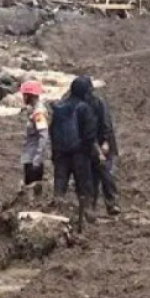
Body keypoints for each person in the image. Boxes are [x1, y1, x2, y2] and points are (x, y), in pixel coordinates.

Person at [49, 76, 100, 233]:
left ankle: (57, 215)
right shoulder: (84, 108)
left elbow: (52, 131)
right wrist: (89, 152)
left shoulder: (59, 107)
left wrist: (55, 152)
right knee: (84, 185)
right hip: (80, 153)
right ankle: (86, 217)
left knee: (60, 185)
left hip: (60, 154)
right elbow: (89, 134)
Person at [76, 74, 121, 216]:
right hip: (90, 144)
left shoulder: (98, 103)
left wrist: (106, 142)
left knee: (105, 173)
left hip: (103, 142)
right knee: (92, 177)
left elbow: (106, 123)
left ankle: (112, 203)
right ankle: (92, 208)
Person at [19, 80, 49, 205]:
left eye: (24, 95)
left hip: (33, 158)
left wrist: (38, 157)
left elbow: (43, 135)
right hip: (31, 156)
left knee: (32, 190)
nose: (23, 97)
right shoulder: (35, 111)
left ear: (29, 95)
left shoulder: (38, 113)